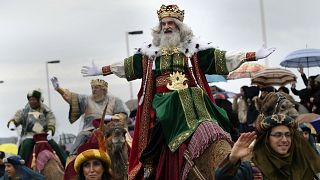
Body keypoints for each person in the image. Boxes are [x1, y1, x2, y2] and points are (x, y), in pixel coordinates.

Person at [80, 4, 275, 179]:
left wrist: (252, 55)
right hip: (162, 106)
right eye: (163, 23)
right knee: (157, 134)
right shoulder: (149, 55)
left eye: (171, 22)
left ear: (180, 26)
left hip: (192, 104)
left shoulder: (193, 50)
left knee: (193, 98)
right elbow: (125, 66)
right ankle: (150, 166)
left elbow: (221, 58)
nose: (167, 26)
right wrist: (102, 70)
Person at [215, 114, 320, 179]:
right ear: (266, 139)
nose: (284, 140)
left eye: (288, 135)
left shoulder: (302, 164)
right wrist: (232, 159)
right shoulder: (251, 169)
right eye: (278, 135)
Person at [51, 77, 130, 155]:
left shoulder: (115, 100)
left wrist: (111, 118)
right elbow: (71, 97)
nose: (93, 90)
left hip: (109, 128)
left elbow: (123, 114)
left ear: (103, 89)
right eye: (92, 88)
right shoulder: (86, 99)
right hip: (89, 129)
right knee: (80, 138)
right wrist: (59, 89)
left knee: (127, 142)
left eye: (96, 88)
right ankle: (72, 160)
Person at [6, 89, 66, 168]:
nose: (31, 101)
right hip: (29, 136)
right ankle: (20, 168)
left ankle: (67, 165)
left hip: (44, 136)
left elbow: (51, 120)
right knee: (26, 145)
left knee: (56, 146)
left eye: (34, 99)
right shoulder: (24, 111)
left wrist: (50, 130)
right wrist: (13, 122)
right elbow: (18, 117)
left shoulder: (46, 111)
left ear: (38, 100)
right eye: (30, 99)